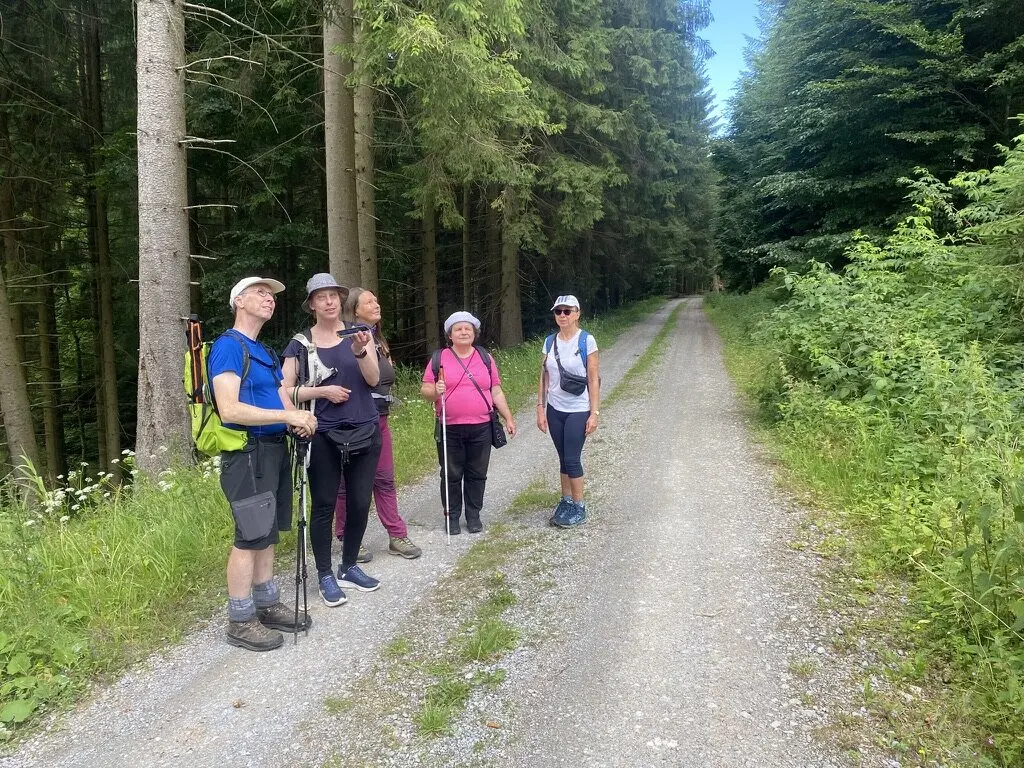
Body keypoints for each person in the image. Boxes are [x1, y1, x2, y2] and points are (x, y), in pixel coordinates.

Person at [209, 276, 318, 652]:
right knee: (249, 534)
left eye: (271, 295)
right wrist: (290, 418)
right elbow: (229, 408)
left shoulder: (266, 352)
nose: (268, 299)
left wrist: (299, 418)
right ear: (239, 301)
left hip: (272, 449)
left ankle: (267, 603)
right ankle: (240, 620)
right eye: (260, 293)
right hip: (246, 452)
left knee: (268, 530)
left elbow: (279, 399)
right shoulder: (228, 347)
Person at [281, 273, 382, 607]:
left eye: (333, 295)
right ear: (312, 304)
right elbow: (284, 389)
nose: (328, 301)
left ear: (341, 299)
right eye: (320, 297)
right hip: (322, 433)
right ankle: (325, 574)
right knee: (324, 506)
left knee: (358, 502)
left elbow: (374, 379)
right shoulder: (299, 343)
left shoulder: (358, 333)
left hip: (365, 427)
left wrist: (360, 351)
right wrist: (320, 391)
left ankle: (349, 565)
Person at [334, 287, 422, 560]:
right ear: (354, 309)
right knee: (347, 484)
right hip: (354, 421)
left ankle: (396, 534)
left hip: (380, 419)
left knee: (384, 479)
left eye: (376, 299)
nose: (376, 304)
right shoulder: (349, 338)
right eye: (369, 301)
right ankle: (348, 537)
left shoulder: (378, 340)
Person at [420, 311, 517, 534]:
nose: (464, 332)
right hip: (449, 427)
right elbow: (425, 390)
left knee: (477, 473)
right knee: (451, 474)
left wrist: (508, 417)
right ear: (450, 335)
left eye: (468, 329)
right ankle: (452, 517)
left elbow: (496, 390)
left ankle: (473, 515)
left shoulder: (485, 358)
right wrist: (435, 391)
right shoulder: (439, 358)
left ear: (474, 333)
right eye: (458, 329)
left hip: (481, 426)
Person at [536, 294, 600, 528]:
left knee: (572, 458)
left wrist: (594, 413)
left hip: (578, 408)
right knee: (563, 457)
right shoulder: (549, 342)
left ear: (577, 314)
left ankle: (579, 506)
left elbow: (593, 379)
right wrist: (540, 408)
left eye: (567, 311)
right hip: (555, 408)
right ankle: (565, 501)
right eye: (558, 311)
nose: (562, 315)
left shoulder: (586, 341)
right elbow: (544, 376)